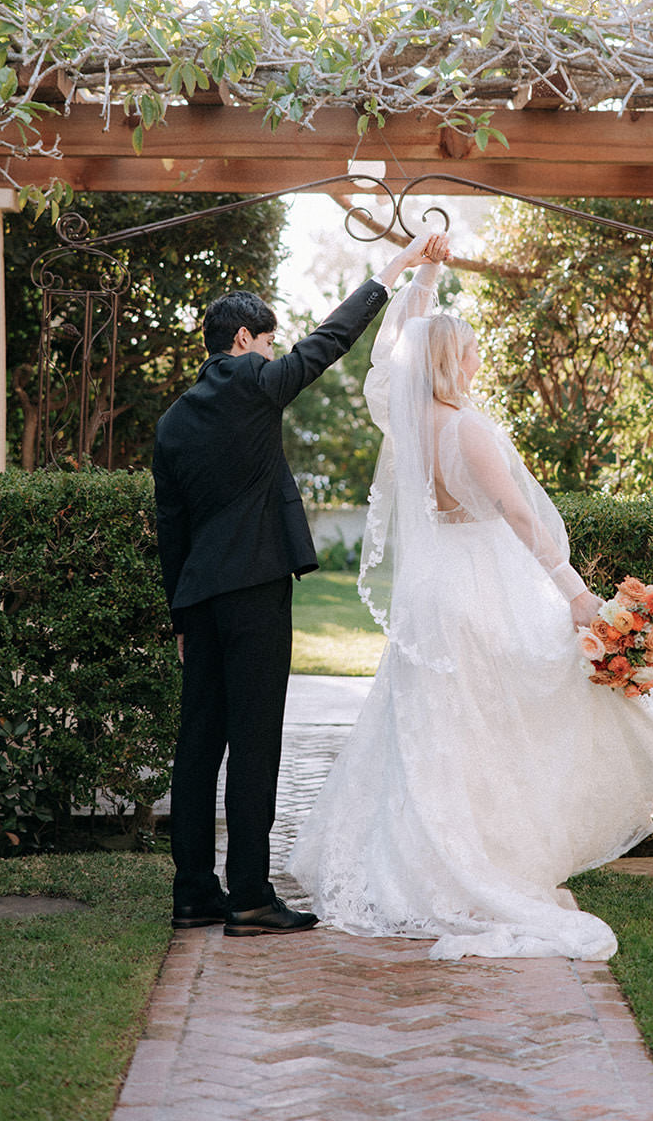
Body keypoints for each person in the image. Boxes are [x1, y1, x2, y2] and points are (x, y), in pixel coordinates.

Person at [289, 253, 653, 960]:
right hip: (485, 584)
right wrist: (576, 594)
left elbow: (397, 341)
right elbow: (518, 515)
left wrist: (419, 274)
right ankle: (489, 864)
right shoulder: (466, 430)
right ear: (455, 362)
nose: (479, 362)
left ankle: (413, 866)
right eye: (472, 352)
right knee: (500, 723)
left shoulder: (403, 420)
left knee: (435, 728)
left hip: (434, 590)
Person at [153, 230, 448, 939]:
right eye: (265, 342)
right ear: (246, 339)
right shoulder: (255, 385)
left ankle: (193, 892)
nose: (270, 353)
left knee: (197, 745)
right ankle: (250, 896)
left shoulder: (171, 422)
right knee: (254, 743)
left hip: (200, 597)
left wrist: (182, 621)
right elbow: (332, 337)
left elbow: (172, 531)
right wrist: (397, 267)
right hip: (254, 587)